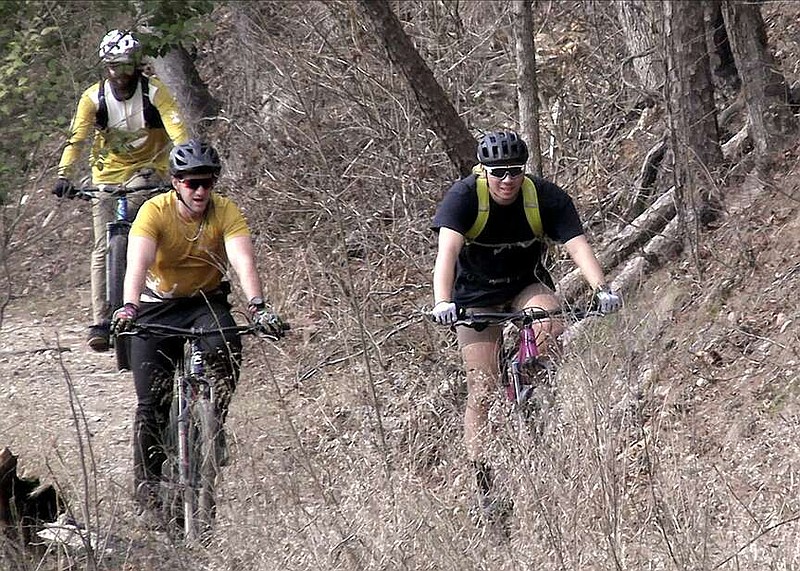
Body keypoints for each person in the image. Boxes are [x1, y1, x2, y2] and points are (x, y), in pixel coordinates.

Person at [429, 130, 622, 520]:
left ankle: (531, 382)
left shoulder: (545, 197)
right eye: (498, 172)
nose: (507, 180)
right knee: (480, 389)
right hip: (474, 298)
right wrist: (443, 302)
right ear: (483, 171)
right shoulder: (465, 197)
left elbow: (578, 246)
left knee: (548, 318)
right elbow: (446, 255)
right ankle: (483, 481)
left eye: (515, 171)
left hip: (525, 286)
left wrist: (602, 289)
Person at [110, 139, 287, 515]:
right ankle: (149, 489)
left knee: (226, 346)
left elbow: (242, 260)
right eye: (192, 183)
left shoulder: (225, 211)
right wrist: (128, 307)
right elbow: (137, 264)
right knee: (150, 405)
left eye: (207, 182)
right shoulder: (153, 212)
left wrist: (257, 307)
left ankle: (214, 422)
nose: (201, 191)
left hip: (204, 302)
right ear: (176, 183)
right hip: (155, 308)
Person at [53, 29, 190, 352]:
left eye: (128, 66)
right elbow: (77, 138)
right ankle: (102, 320)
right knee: (103, 247)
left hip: (150, 171)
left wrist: (183, 167)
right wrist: (64, 174)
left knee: (154, 236)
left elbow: (178, 131)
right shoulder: (93, 98)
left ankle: (159, 301)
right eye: (115, 66)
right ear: (106, 67)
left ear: (138, 65)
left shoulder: (155, 93)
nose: (122, 74)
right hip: (107, 175)